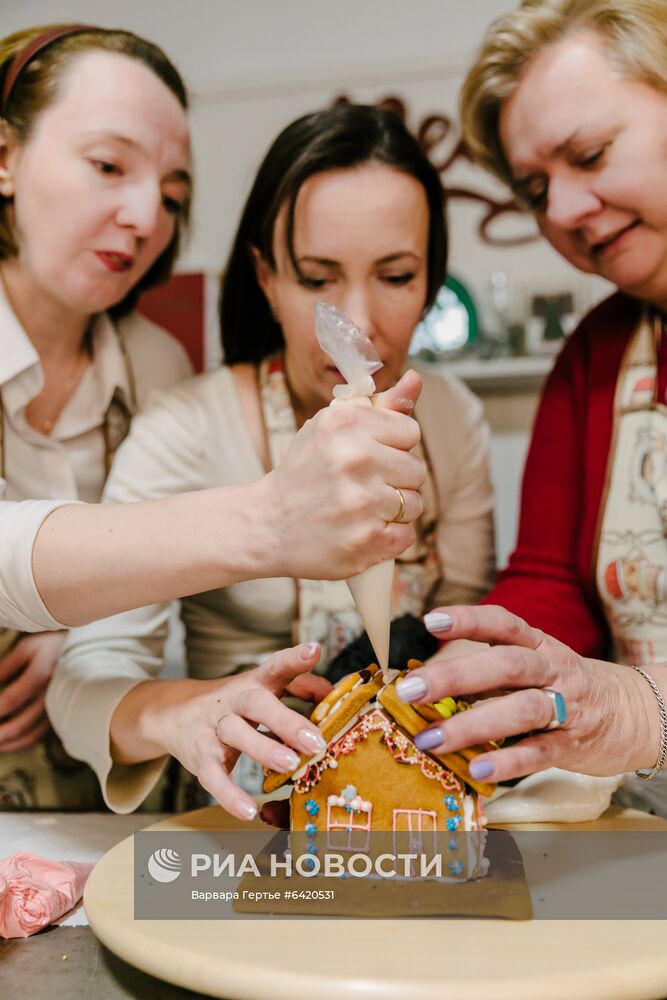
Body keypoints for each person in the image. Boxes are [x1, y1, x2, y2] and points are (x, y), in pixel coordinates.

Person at [0, 27, 426, 808]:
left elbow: (118, 601)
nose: (144, 217)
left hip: (68, 796)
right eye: (107, 165)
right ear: (5, 156)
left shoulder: (152, 361)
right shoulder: (191, 415)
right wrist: (267, 520)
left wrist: (67, 630)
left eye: (172, 194)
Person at [49, 104, 495, 818]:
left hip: (412, 804)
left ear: (430, 281)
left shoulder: (454, 419)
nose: (359, 325)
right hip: (238, 815)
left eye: (396, 276)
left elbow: (467, 628)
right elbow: (80, 690)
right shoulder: (187, 428)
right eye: (317, 280)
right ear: (265, 278)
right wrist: (186, 713)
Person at [395, 0, 667, 796]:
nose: (561, 212)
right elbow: (551, 586)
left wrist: (636, 711)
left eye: (589, 154)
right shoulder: (597, 356)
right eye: (534, 188)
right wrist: (461, 674)